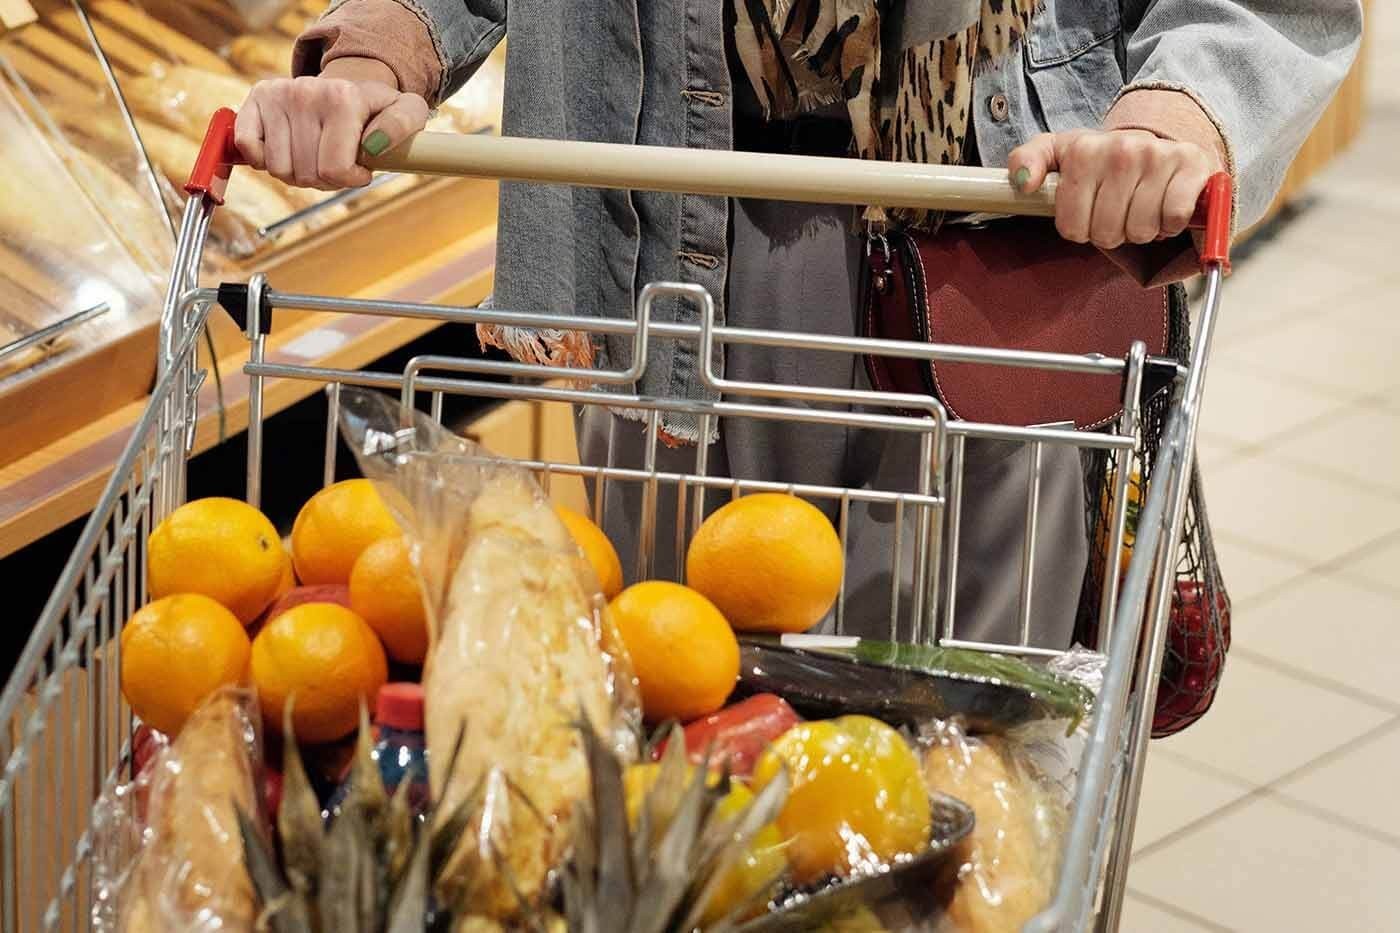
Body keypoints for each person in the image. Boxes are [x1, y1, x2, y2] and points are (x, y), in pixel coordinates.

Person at [236, 0, 1361, 646]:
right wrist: (383, 47)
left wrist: (1175, 110)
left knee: (973, 752)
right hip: (658, 233)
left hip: (998, 238)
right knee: (688, 740)